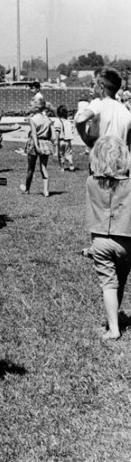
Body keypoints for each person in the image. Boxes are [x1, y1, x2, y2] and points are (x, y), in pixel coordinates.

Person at [82, 136, 131, 340]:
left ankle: (113, 328)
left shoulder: (91, 182)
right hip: (127, 239)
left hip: (100, 240)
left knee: (109, 284)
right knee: (121, 278)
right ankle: (115, 321)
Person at [74, 67, 131, 150]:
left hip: (100, 159)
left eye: (94, 84)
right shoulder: (125, 111)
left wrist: (85, 138)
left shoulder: (98, 103)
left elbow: (80, 120)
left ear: (101, 86)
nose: (93, 87)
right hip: (120, 159)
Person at [21, 98, 53, 197]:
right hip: (45, 143)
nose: (28, 107)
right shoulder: (47, 118)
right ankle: (46, 191)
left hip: (34, 143)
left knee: (31, 168)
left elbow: (34, 134)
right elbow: (50, 134)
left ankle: (27, 189)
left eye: (30, 106)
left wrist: (36, 146)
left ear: (36, 108)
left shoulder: (32, 119)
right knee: (43, 167)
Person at [56, 104, 76, 172]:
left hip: (61, 140)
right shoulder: (69, 122)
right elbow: (72, 131)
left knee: (61, 154)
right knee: (68, 153)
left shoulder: (57, 121)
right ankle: (71, 164)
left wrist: (56, 140)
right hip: (68, 141)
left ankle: (62, 168)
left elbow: (57, 132)